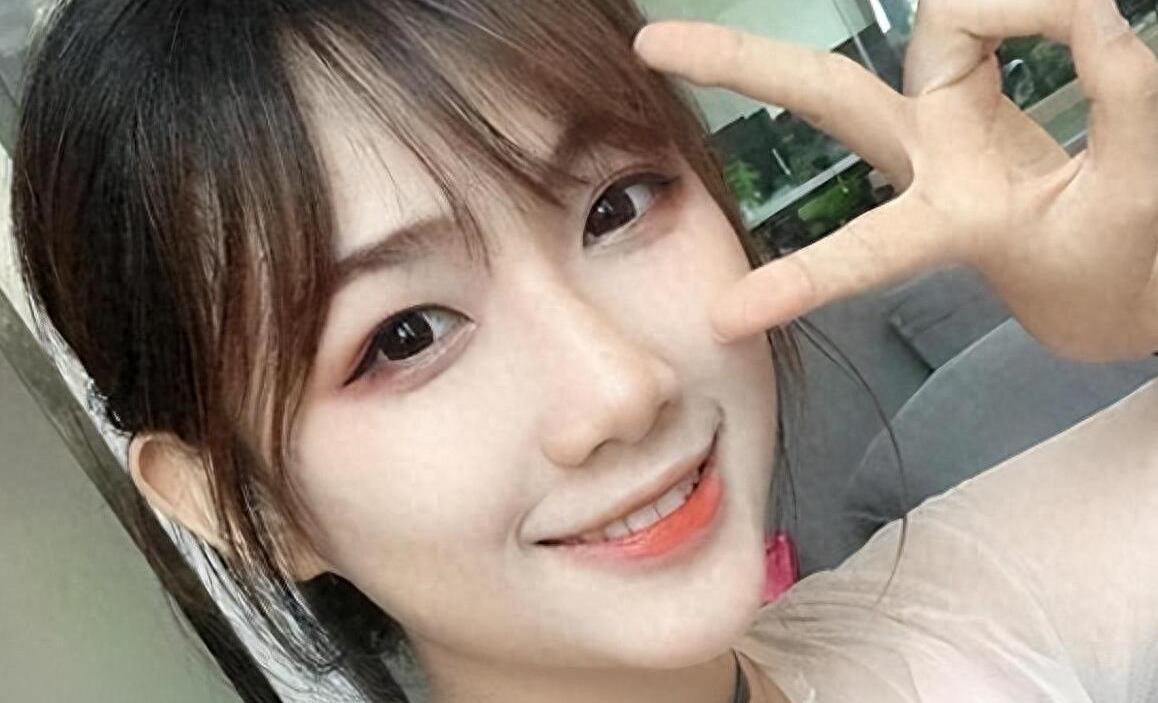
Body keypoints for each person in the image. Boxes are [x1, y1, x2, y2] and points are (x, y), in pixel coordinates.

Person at [8, 0, 1156, 702]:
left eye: (617, 206)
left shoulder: (962, 617)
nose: (622, 387)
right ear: (239, 500)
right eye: (404, 335)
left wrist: (1140, 297)